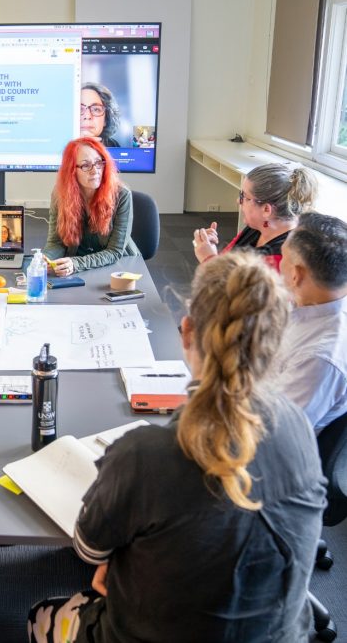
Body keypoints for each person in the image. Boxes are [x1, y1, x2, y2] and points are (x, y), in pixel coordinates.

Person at [28, 251, 326, 643]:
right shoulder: (299, 426)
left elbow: (88, 549)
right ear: (273, 345)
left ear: (186, 332)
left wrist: (116, 566)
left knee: (39, 615)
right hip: (281, 634)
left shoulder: (144, 454)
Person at [277, 212, 347, 432]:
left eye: (282, 259)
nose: (279, 267)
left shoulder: (318, 359)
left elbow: (270, 432)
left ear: (296, 275)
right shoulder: (307, 304)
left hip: (264, 455)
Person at [192, 162, 317, 270]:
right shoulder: (257, 228)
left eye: (244, 197)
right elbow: (226, 263)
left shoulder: (280, 258)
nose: (238, 201)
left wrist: (208, 258)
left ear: (266, 210)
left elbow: (230, 291)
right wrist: (211, 249)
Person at [44, 137, 138, 277]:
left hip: (116, 267)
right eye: (86, 165)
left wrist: (76, 264)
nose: (95, 171)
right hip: (76, 266)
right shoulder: (60, 194)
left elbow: (115, 251)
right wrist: (45, 259)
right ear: (71, 170)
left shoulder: (122, 195)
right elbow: (56, 242)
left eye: (99, 163)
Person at [80, 82, 121, 148]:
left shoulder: (114, 146)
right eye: (80, 109)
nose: (87, 116)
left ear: (106, 120)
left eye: (96, 109)